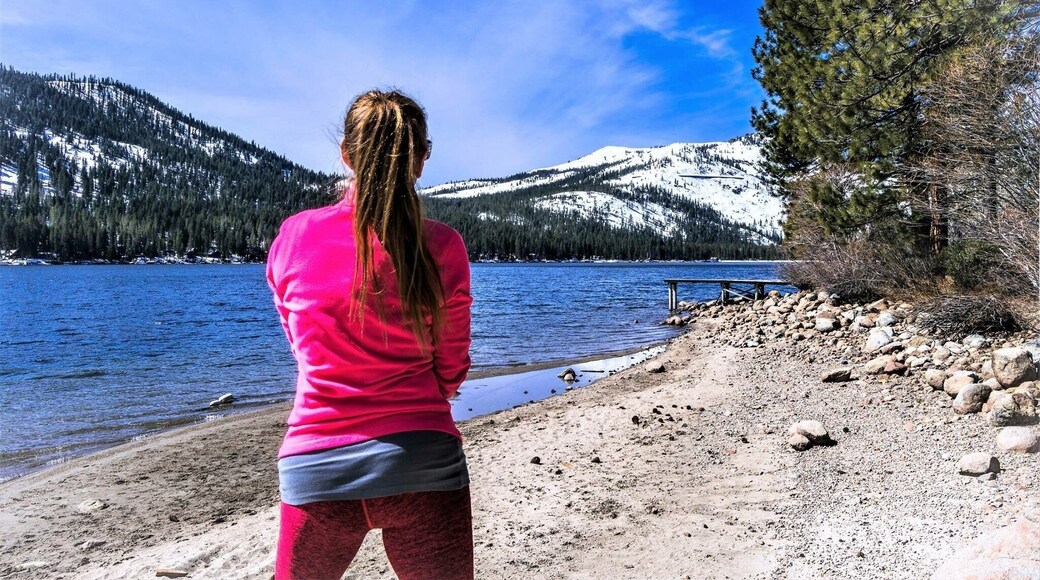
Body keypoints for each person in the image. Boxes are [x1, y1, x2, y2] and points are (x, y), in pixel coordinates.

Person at [266, 89, 474, 580]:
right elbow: (452, 367)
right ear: (421, 160)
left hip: (317, 465)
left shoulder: (294, 236)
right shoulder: (442, 245)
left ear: (346, 154)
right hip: (422, 461)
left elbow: (302, 343)